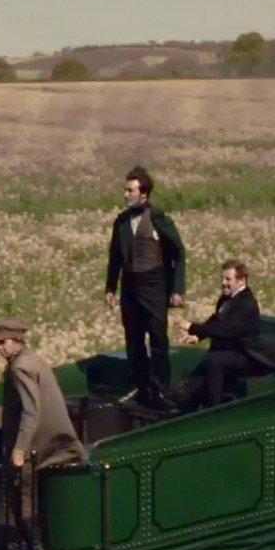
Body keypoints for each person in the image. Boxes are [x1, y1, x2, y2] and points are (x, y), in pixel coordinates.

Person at [103, 165, 185, 409]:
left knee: (158, 338)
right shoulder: (121, 221)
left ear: (144, 194)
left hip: (154, 284)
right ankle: (141, 387)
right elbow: (115, 256)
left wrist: (177, 289)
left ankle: (161, 389)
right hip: (130, 286)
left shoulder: (158, 218)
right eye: (125, 190)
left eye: (131, 190)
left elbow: (179, 252)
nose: (126, 194)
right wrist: (110, 288)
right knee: (133, 339)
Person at [177, 260, 275, 410]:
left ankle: (212, 411)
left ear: (242, 280)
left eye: (228, 279)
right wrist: (198, 336)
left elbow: (226, 330)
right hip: (226, 352)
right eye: (222, 278)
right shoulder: (226, 298)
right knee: (191, 387)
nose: (223, 283)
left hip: (245, 354)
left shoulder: (247, 303)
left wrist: (192, 327)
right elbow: (215, 320)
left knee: (213, 362)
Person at [0, 319, 83, 470]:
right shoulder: (33, 359)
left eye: (3, 342)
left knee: (25, 491)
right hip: (57, 444)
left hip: (39, 449)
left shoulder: (20, 368)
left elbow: (30, 411)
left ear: (17, 340)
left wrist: (20, 449)